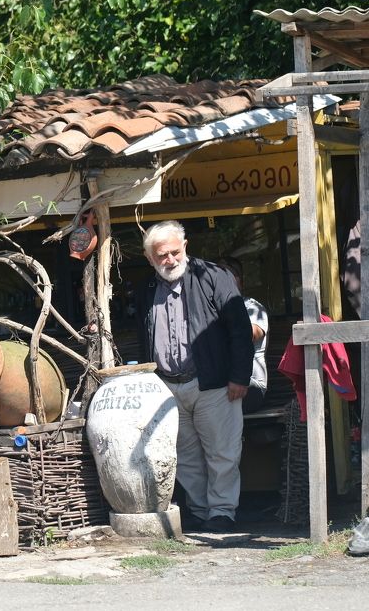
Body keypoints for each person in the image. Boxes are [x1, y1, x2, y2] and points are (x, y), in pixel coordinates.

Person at [142, 220, 253, 533]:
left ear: (185, 247)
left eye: (175, 252)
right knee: (186, 456)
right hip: (168, 387)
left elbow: (240, 329)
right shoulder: (147, 288)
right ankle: (202, 511)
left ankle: (222, 511)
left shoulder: (214, 276)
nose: (170, 260)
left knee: (222, 452)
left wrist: (239, 376)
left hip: (215, 383)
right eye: (161, 255)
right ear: (150, 258)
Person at [219, 257, 269, 415]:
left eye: (228, 276)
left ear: (240, 281)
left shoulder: (253, 307)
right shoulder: (211, 309)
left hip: (250, 386)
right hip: (218, 384)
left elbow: (249, 334)